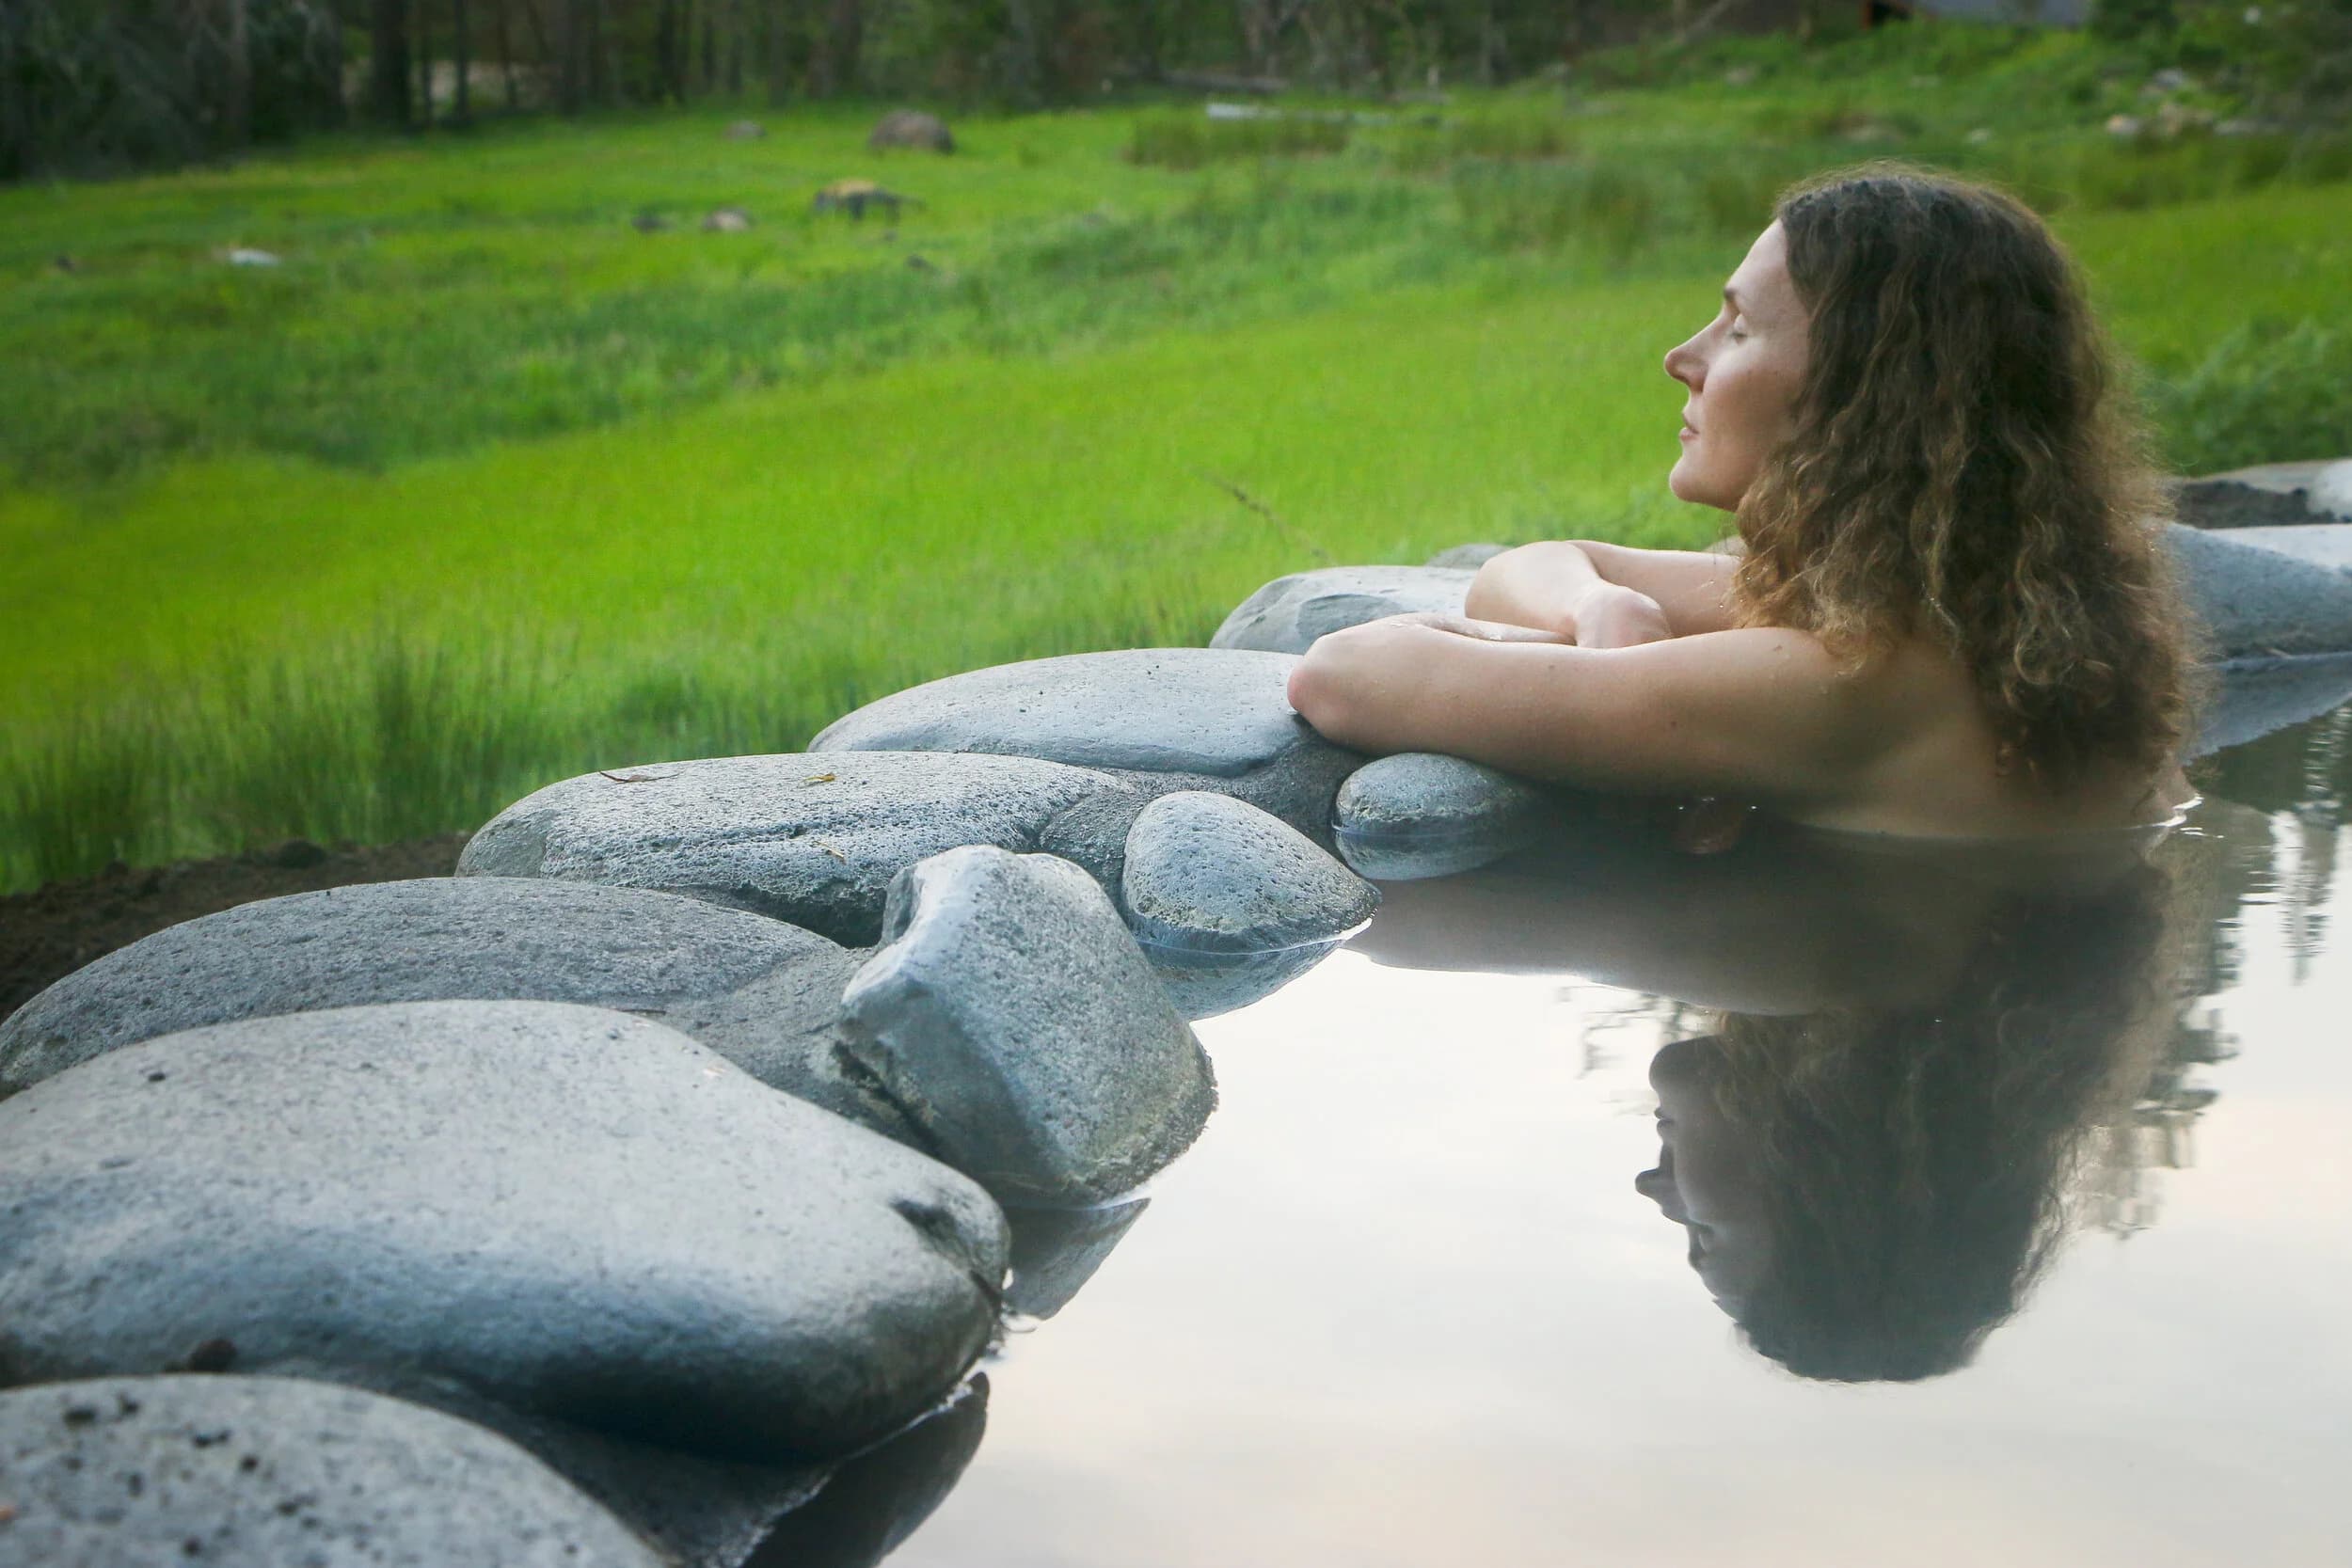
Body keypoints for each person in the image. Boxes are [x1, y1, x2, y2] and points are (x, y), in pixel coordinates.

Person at [1286, 165, 2196, 838]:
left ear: (1859, 401)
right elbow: (1524, 569)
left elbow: (1346, 674)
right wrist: (1600, 609)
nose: (1682, 356)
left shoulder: (1848, 680)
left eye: (1739, 327)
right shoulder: (1962, 623)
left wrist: (1602, 680)